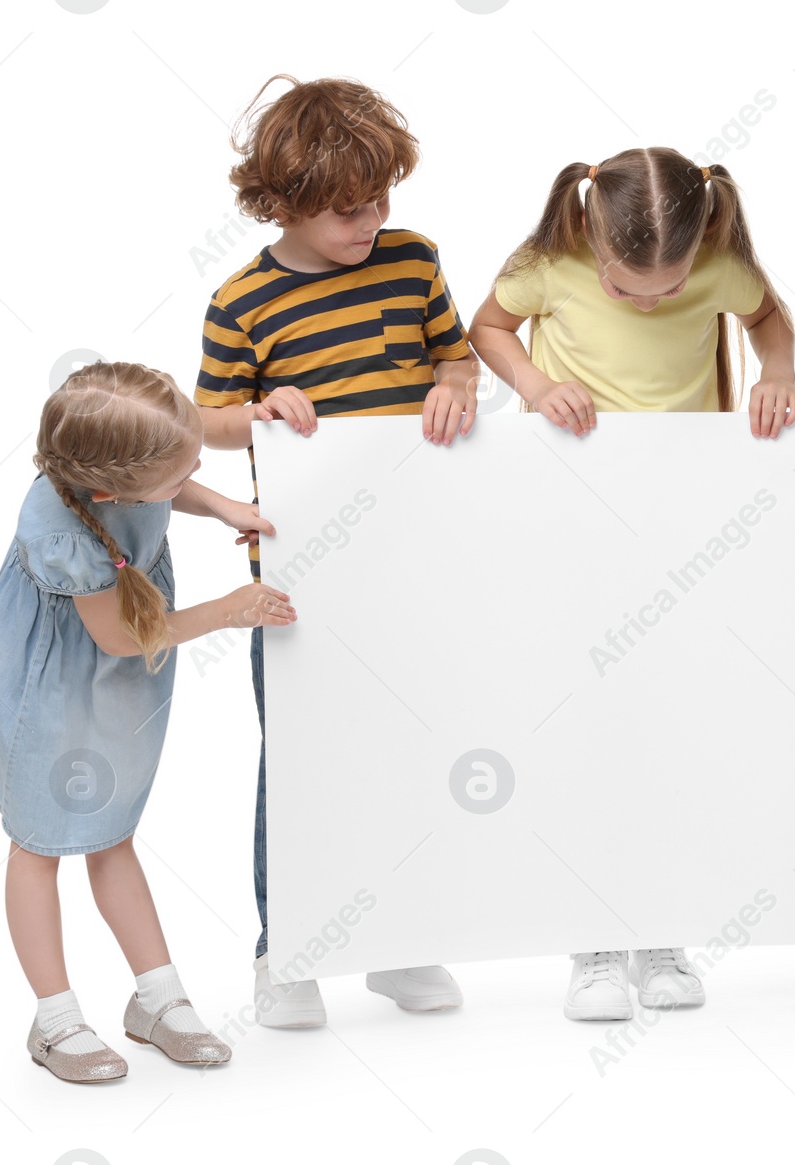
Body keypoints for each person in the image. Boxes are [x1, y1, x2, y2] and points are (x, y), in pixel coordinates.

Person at [470, 146, 795, 1019]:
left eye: (670, 287)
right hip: (577, 524)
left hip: (683, 530)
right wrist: (537, 386)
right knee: (590, 724)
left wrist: (775, 375)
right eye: (629, 289)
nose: (653, 301)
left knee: (674, 723)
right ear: (589, 230)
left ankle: (662, 933)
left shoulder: (720, 264)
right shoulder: (550, 261)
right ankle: (593, 944)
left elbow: (771, 320)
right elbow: (487, 331)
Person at [197, 74, 482, 1027]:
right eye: (347, 210)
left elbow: (456, 351)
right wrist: (258, 411)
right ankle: (288, 951)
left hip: (419, 561)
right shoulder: (241, 304)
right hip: (299, 580)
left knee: (410, 752)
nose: (372, 221)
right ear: (279, 202)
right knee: (304, 763)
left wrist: (458, 383)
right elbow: (203, 423)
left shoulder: (412, 261)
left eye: (381, 200)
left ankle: (398, 941)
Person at [0, 361, 294, 1082]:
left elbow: (172, 481)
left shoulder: (131, 470)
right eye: (180, 473)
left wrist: (224, 508)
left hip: (117, 675)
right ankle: (54, 1017)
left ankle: (156, 995)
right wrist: (230, 609)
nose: (191, 475)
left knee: (111, 826)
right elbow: (118, 636)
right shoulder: (59, 528)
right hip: (57, 680)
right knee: (40, 840)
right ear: (112, 490)